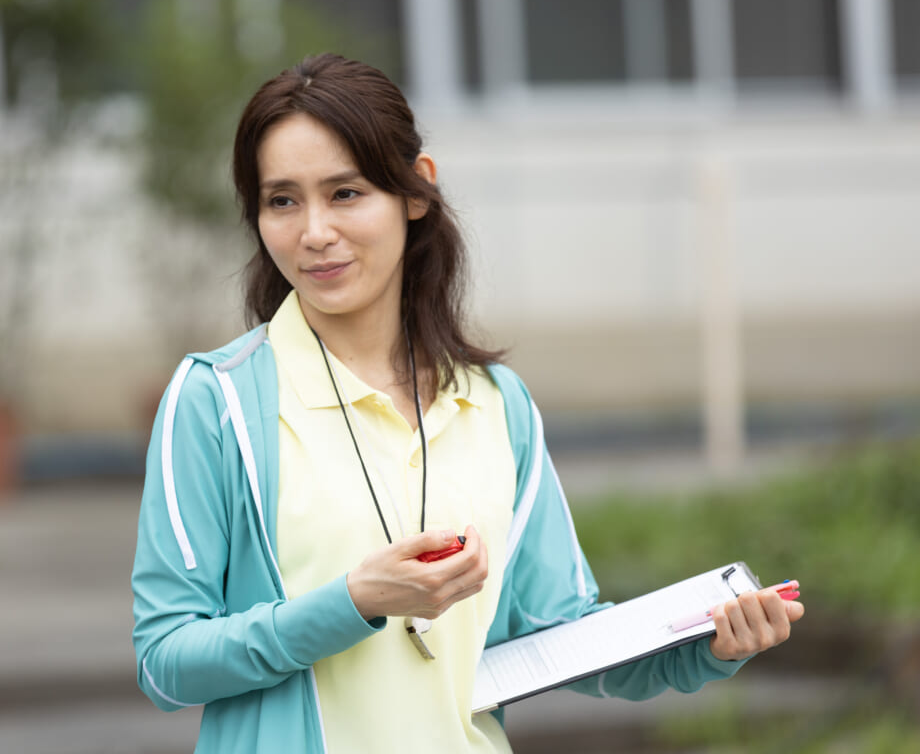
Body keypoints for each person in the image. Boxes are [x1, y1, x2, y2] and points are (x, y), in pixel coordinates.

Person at [131, 53, 804, 753]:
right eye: (282, 200)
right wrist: (355, 603)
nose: (314, 232)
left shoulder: (495, 404)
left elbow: (556, 636)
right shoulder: (217, 402)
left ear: (416, 192)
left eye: (346, 192)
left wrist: (710, 645)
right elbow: (166, 663)